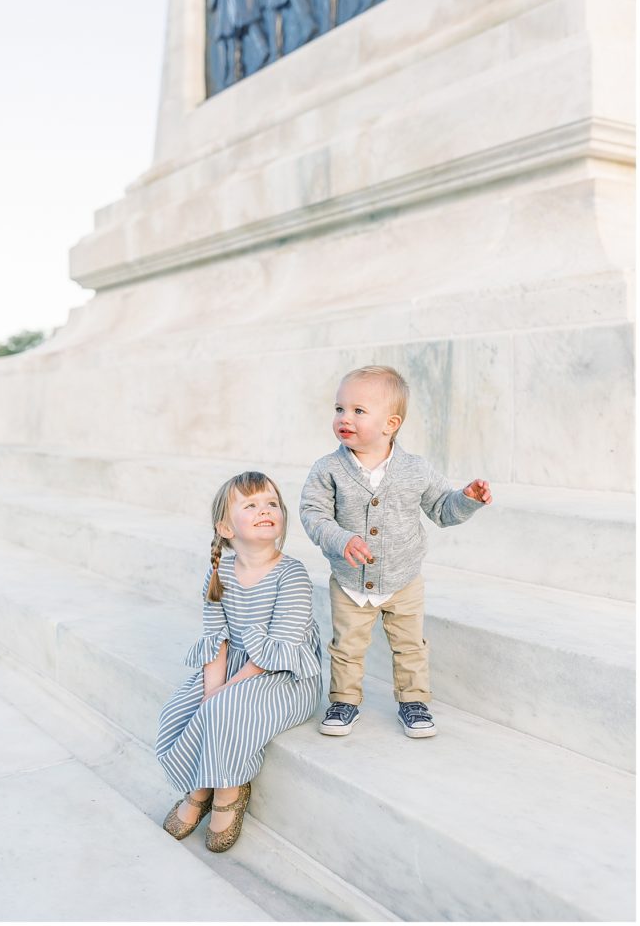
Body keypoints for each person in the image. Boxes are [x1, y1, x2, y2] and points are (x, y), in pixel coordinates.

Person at [299, 365, 492, 739]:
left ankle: (414, 701)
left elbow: (442, 510)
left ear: (390, 423)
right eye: (339, 408)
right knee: (347, 647)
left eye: (358, 411)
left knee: (410, 646)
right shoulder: (328, 470)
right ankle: (344, 700)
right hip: (350, 580)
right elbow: (313, 514)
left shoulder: (415, 469)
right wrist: (341, 539)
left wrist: (466, 500)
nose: (344, 418)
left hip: (403, 580)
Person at [156, 471, 321, 852]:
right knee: (181, 708)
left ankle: (225, 790)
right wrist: (211, 690)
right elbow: (217, 641)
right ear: (226, 527)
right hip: (234, 665)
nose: (265, 510)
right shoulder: (221, 572)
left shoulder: (291, 574)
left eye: (272, 504)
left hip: (284, 675)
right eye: (250, 505)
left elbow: (279, 649)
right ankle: (199, 783)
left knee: (226, 709)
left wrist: (223, 695)